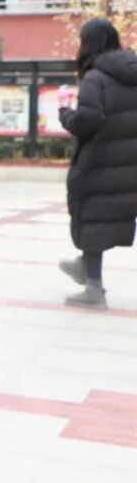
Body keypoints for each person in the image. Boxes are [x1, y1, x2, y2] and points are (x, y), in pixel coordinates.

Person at [57, 18, 137, 309]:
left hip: (99, 163)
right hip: (129, 165)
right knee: (103, 218)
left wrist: (64, 111)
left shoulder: (95, 77)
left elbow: (87, 121)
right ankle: (85, 269)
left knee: (90, 217)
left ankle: (93, 287)